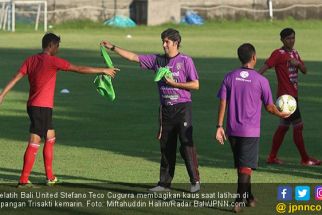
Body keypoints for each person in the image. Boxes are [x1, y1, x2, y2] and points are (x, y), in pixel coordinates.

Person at [0, 33, 118, 187]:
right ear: (51, 45)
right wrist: (102, 70)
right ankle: (23, 179)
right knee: (35, 140)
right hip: (41, 107)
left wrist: (2, 94)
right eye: (57, 46)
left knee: (50, 137)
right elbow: (78, 68)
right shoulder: (53, 61)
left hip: (35, 106)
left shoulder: (31, 60)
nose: (58, 49)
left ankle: (50, 177)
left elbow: (16, 77)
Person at [101, 28, 201, 193]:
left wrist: (175, 84)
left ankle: (195, 181)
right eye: (163, 41)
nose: (164, 45)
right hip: (165, 110)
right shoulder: (157, 60)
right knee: (166, 147)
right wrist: (113, 47)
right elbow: (134, 57)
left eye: (167, 42)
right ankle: (164, 184)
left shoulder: (185, 61)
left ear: (176, 43)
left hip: (183, 108)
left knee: (186, 145)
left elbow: (195, 85)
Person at [215, 43, 289, 213]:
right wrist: (281, 114)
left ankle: (248, 197)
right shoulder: (261, 80)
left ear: (240, 58)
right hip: (250, 131)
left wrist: (219, 126)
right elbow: (270, 107)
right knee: (245, 167)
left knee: (243, 166)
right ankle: (239, 200)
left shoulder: (229, 77)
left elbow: (223, 102)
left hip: (232, 130)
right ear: (254, 58)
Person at [259, 28, 320, 166]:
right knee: (298, 126)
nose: (291, 41)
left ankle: (272, 157)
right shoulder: (278, 53)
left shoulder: (295, 53)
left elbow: (305, 70)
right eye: (288, 38)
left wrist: (298, 64)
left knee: (284, 126)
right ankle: (305, 159)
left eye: (293, 38)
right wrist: (254, 79)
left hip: (293, 96)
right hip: (286, 98)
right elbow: (265, 67)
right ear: (282, 40)